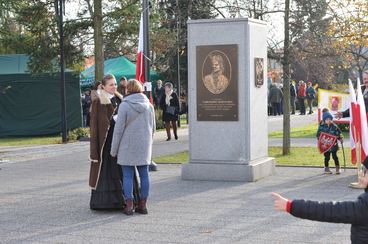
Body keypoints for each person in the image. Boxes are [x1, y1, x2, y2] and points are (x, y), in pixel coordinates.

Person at [272, 156, 368, 244]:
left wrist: (290, 205)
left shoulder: (364, 206)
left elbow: (328, 210)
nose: (360, 173)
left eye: (364, 170)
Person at [111, 79, 155, 215]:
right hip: (144, 145)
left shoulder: (124, 105)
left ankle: (129, 205)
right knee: (144, 175)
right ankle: (143, 205)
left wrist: (114, 150)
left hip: (127, 145)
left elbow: (118, 130)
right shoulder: (149, 106)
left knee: (128, 176)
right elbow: (153, 129)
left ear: (127, 90)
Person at [89, 74, 124, 210]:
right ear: (103, 86)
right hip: (106, 143)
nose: (114, 86)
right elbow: (95, 126)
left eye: (115, 84)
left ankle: (124, 199)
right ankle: (107, 202)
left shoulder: (119, 99)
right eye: (111, 84)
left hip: (120, 141)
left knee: (121, 169)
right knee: (107, 170)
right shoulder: (99, 101)